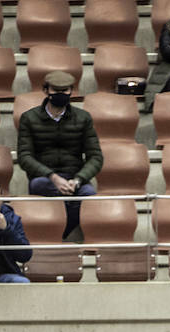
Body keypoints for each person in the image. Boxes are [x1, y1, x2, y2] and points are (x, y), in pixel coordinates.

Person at [16, 70, 104, 241]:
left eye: (65, 90)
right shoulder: (29, 118)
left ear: (71, 91)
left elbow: (96, 157)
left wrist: (78, 179)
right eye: (56, 90)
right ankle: (55, 235)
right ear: (46, 90)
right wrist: (53, 177)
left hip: (75, 179)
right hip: (45, 179)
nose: (61, 94)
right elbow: (25, 156)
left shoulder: (83, 118)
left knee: (89, 195)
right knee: (39, 185)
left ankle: (59, 236)